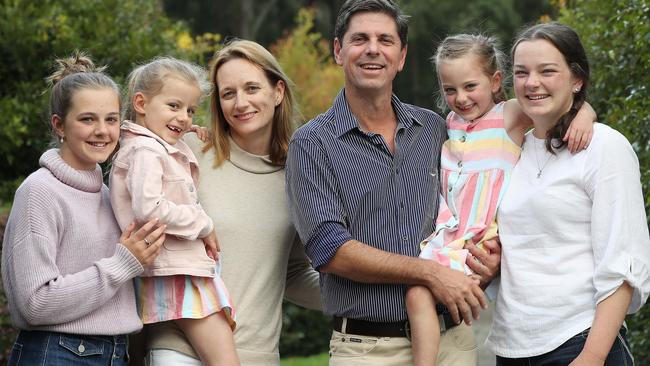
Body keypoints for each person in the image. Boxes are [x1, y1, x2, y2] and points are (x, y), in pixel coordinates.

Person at [286, 1, 503, 365]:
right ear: (338, 51)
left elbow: (488, 180)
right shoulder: (312, 144)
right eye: (360, 39)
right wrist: (430, 273)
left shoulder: (435, 129)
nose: (373, 49)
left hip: (452, 342)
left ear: (401, 57)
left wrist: (490, 259)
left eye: (385, 40)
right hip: (367, 349)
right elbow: (329, 250)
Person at [406, 34, 595, 366]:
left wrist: (585, 114)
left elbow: (561, 102)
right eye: (450, 90)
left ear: (495, 81)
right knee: (420, 294)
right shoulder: (449, 124)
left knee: (419, 295)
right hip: (452, 233)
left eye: (470, 86)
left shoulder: (507, 116)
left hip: (481, 235)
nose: (460, 98)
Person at [143, 39, 321, 366]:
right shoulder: (188, 153)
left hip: (257, 354)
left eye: (252, 88)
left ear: (278, 92)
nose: (241, 103)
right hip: (180, 351)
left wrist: (364, 297)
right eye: (228, 93)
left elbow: (293, 272)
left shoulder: (298, 175)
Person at [485, 22, 650, 365]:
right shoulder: (510, 150)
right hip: (512, 346)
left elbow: (622, 262)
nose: (532, 83)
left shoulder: (603, 147)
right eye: (521, 72)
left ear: (577, 79)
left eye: (547, 71)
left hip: (579, 341)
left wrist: (591, 355)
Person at [1, 52, 166, 365]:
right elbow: (34, 303)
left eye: (111, 119)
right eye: (87, 119)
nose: (102, 130)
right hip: (57, 354)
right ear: (59, 125)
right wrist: (123, 263)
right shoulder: (40, 192)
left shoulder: (108, 196)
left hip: (115, 353)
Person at [109, 57, 238, 366]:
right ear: (141, 102)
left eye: (190, 110)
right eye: (174, 106)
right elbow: (149, 207)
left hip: (173, 269)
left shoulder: (149, 144)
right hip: (181, 274)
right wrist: (203, 224)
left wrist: (188, 131)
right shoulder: (145, 151)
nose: (183, 117)